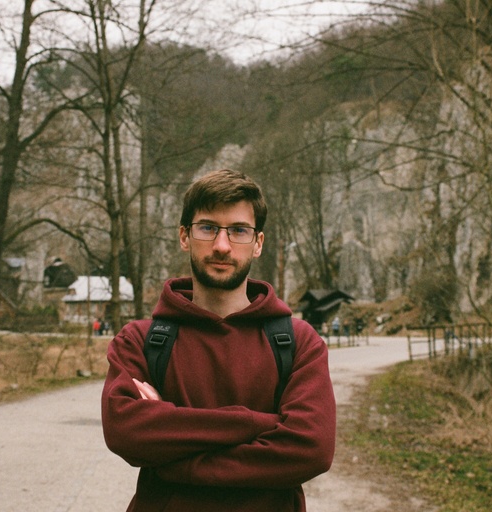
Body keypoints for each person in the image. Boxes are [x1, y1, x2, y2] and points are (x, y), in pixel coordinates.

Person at [101, 169, 336, 512]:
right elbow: (125, 433)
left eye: (239, 230)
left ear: (258, 243)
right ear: (185, 236)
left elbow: (312, 449)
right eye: (208, 228)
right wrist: (261, 423)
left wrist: (175, 459)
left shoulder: (298, 342)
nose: (222, 246)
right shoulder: (140, 341)